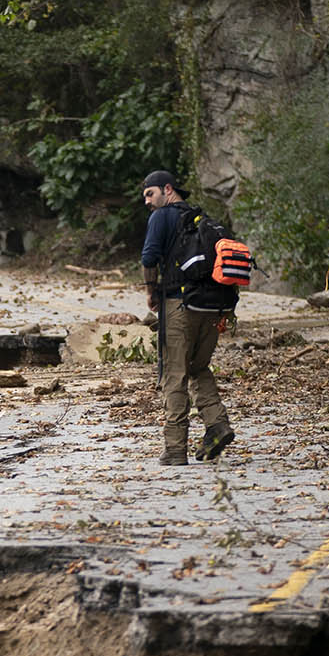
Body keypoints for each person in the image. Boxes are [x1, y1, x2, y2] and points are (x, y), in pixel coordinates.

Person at [140, 169, 237, 464]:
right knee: (197, 367)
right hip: (212, 308)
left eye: (150, 194)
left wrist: (150, 290)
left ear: (167, 189)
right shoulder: (203, 218)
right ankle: (217, 425)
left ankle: (174, 448)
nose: (147, 202)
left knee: (175, 374)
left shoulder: (163, 216)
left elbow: (148, 257)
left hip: (179, 306)